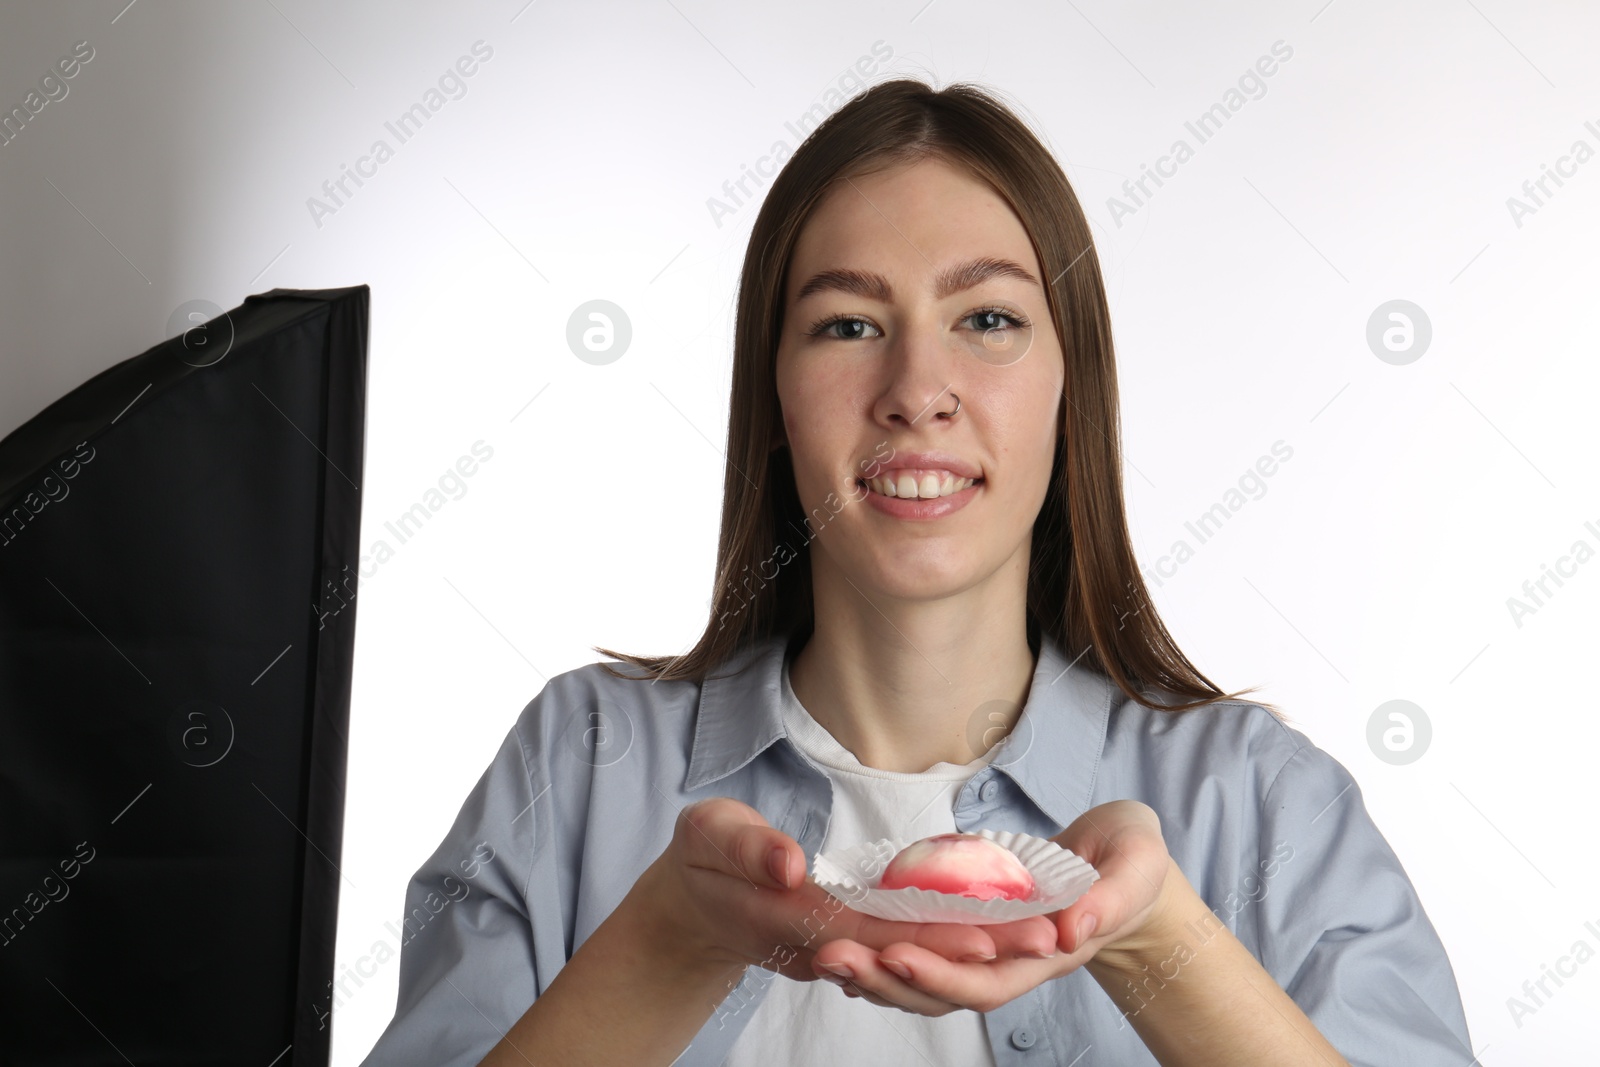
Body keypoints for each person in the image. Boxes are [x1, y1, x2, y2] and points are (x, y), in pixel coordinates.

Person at [356, 78, 1474, 1067]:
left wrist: (1155, 937)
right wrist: (664, 939)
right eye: (847, 324)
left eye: (987, 318)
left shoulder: (1262, 799)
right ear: (776, 402)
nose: (915, 387)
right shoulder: (579, 765)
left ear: (1068, 392)